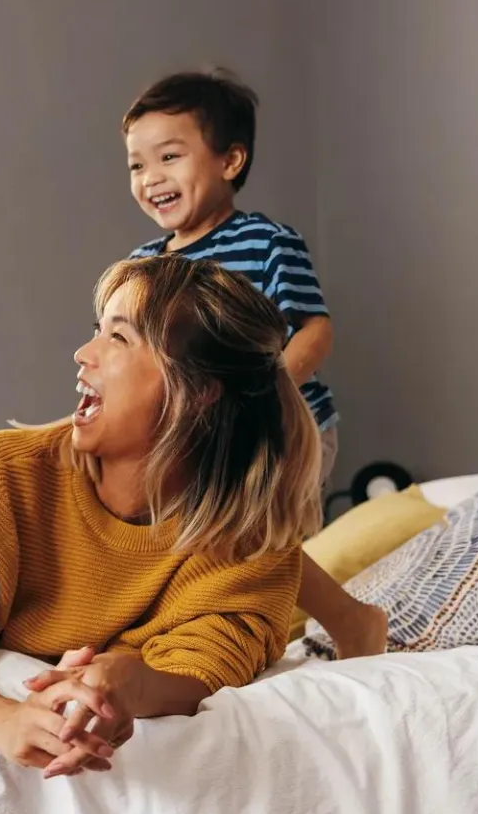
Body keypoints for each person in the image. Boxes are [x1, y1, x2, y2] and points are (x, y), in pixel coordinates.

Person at [0, 254, 322, 778]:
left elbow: (201, 670)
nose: (81, 353)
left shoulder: (250, 542)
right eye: (98, 330)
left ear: (200, 391)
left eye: (119, 338)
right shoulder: (3, 474)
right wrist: (6, 723)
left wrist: (125, 681)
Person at [121, 68, 388, 660]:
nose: (151, 178)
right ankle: (224, 632)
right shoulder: (143, 266)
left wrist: (266, 389)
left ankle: (348, 622)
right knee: (199, 536)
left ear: (230, 160)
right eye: (138, 165)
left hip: (281, 427)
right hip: (196, 436)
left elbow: (314, 328)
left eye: (169, 156)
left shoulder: (266, 242)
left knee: (253, 531)